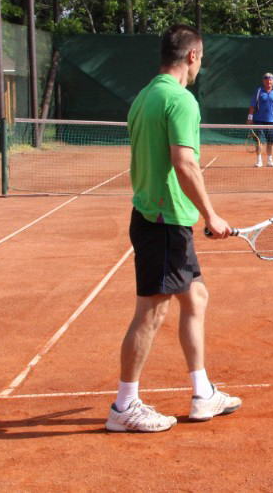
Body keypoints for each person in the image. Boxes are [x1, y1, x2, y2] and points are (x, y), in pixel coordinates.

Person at [106, 23, 241, 433]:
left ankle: (203, 394)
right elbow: (184, 163)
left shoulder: (144, 96)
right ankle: (123, 407)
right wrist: (211, 215)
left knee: (195, 297)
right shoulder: (181, 100)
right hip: (163, 221)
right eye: (202, 59)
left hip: (161, 217)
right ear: (192, 56)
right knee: (151, 312)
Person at [246, 72, 273, 167]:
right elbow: (253, 105)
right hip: (258, 121)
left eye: (270, 79)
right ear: (263, 81)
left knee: (270, 142)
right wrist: (250, 117)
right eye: (266, 79)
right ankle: (259, 160)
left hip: (271, 121)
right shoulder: (258, 91)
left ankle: (269, 160)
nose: (268, 81)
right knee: (259, 141)